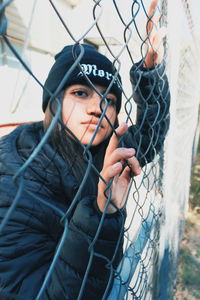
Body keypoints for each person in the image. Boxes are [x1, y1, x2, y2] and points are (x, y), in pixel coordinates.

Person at [0, 1, 170, 299]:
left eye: (110, 101)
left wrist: (150, 72)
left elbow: (150, 136)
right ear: (53, 101)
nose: (97, 108)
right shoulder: (12, 181)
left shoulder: (105, 149)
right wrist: (99, 215)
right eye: (81, 93)